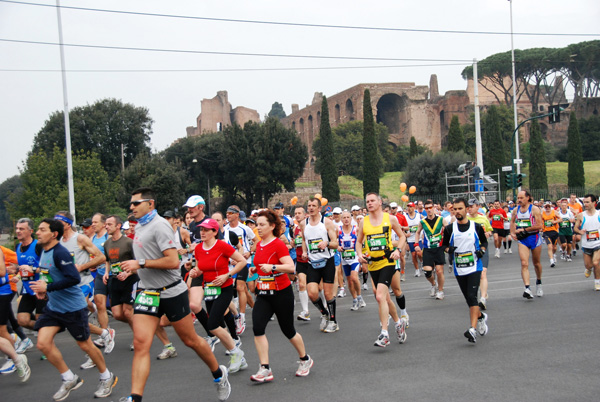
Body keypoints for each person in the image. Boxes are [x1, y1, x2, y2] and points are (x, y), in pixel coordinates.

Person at [120, 188, 231, 402]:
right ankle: (135, 398)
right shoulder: (140, 227)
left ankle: (219, 374)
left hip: (171, 291)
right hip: (147, 292)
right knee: (141, 343)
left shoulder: (160, 225)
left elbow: (172, 262)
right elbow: (146, 259)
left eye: (136, 203)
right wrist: (132, 269)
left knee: (190, 340)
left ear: (150, 204)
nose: (132, 207)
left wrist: (140, 263)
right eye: (131, 203)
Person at [30, 219, 117, 400]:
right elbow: (49, 273)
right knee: (43, 343)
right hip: (54, 307)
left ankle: (106, 376)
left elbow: (73, 279)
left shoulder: (60, 253)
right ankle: (69, 378)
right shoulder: (43, 251)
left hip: (72, 307)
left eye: (42, 229)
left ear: (54, 234)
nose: (37, 232)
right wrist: (39, 283)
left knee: (85, 344)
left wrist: (47, 288)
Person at [249, 210, 313, 382]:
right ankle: (265, 368)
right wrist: (256, 269)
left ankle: (305, 359)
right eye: (257, 225)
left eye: (262, 225)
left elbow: (291, 267)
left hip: (281, 293)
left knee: (288, 330)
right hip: (263, 293)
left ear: (272, 226)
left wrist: (273, 267)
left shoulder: (277, 244)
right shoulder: (259, 245)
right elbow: (263, 265)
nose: (259, 228)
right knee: (257, 327)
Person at [189, 218, 249, 373]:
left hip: (224, 288)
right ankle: (238, 355)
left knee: (213, 324)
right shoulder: (198, 249)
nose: (202, 232)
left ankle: (236, 352)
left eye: (206, 230)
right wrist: (195, 271)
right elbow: (200, 268)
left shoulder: (222, 246)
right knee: (217, 326)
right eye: (201, 230)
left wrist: (227, 275)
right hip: (209, 289)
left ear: (215, 232)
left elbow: (242, 261)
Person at [357, 192, 408, 347]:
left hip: (387, 261)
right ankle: (399, 323)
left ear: (380, 202)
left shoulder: (390, 218)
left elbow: (402, 236)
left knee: (380, 296)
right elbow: (359, 242)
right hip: (373, 264)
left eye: (372, 200)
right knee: (384, 298)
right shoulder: (363, 222)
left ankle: (384, 334)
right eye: (367, 201)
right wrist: (359, 254)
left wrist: (398, 250)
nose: (369, 203)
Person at [441, 198, 488, 344]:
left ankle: (472, 329)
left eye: (460, 208)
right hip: (459, 268)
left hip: (474, 267)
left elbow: (484, 242)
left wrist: (482, 250)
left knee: (472, 296)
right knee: (468, 299)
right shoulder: (450, 229)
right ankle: (480, 317)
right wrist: (449, 250)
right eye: (455, 209)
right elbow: (444, 246)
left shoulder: (476, 226)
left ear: (467, 209)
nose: (457, 211)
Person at [300, 197, 340, 333]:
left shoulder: (327, 223)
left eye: (313, 206)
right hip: (312, 262)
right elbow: (304, 240)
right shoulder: (303, 224)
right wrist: (305, 252)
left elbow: (335, 243)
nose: (310, 208)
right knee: (312, 293)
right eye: (309, 205)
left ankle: (333, 321)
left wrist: (327, 243)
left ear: (319, 208)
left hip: (327, 261)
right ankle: (324, 313)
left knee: (328, 294)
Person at [101, 215, 138, 335]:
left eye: (109, 224)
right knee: (117, 314)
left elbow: (138, 262)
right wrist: (106, 273)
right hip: (115, 279)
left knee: (128, 312)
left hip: (130, 279)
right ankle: (140, 324)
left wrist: (128, 273)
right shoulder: (107, 243)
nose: (106, 227)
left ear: (118, 226)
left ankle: (138, 337)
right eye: (106, 224)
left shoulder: (129, 242)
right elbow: (108, 260)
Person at [223, 205, 256, 336]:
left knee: (240, 287)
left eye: (231, 213)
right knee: (240, 291)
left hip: (244, 262)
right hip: (230, 264)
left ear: (237, 215)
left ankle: (241, 317)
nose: (228, 215)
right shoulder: (224, 230)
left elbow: (256, 241)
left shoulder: (244, 228)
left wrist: (249, 252)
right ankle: (254, 309)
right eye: (227, 213)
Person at [12, 218, 43, 353]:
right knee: (22, 320)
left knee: (40, 319)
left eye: (21, 229)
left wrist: (32, 269)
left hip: (41, 288)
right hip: (27, 289)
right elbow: (21, 267)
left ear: (30, 231)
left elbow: (48, 267)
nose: (18, 231)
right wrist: (16, 271)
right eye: (17, 228)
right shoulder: (17, 247)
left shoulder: (38, 246)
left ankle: (46, 339)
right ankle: (48, 330)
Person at [510, 190, 544, 299]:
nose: (519, 200)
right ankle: (527, 288)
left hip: (534, 237)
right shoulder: (516, 210)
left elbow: (540, 225)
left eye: (521, 198)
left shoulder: (534, 209)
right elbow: (512, 221)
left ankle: (538, 282)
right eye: (518, 198)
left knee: (536, 263)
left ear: (528, 198)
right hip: (522, 239)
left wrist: (525, 229)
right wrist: (512, 232)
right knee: (524, 263)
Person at [415, 200, 446, 300]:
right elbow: (417, 232)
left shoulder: (441, 219)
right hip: (428, 249)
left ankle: (440, 291)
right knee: (427, 272)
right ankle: (433, 284)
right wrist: (416, 244)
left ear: (434, 208)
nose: (429, 210)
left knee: (439, 271)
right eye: (427, 208)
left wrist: (446, 241)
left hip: (439, 248)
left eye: (430, 207)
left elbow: (448, 229)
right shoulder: (423, 222)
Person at [466, 200, 493, 310]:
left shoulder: (483, 218)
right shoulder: (465, 220)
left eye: (472, 206)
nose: (469, 209)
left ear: (477, 207)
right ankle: (480, 293)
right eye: (468, 207)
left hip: (482, 248)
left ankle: (482, 299)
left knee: (483, 273)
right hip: (469, 250)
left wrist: (488, 233)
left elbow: (490, 230)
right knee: (473, 275)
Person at [338, 211, 366, 310]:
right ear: (341, 219)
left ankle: (359, 296)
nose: (346, 219)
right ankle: (354, 300)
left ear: (351, 219)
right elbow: (332, 241)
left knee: (354, 277)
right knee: (349, 281)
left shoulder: (356, 229)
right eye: (344, 217)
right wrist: (337, 246)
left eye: (348, 217)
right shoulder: (338, 230)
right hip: (345, 259)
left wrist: (362, 249)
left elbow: (363, 239)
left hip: (354, 258)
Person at [574, 194, 600, 291]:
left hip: (598, 243)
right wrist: (580, 231)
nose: (585, 204)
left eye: (588, 202)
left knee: (596, 262)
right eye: (584, 202)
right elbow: (576, 228)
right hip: (586, 244)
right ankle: (588, 269)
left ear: (594, 203)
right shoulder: (581, 215)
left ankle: (597, 282)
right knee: (589, 265)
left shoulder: (599, 214)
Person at [293, 207, 311, 321]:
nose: (297, 215)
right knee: (301, 284)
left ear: (305, 215)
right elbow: (297, 244)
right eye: (295, 213)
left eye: (299, 213)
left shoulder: (309, 227)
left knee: (318, 287)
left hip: (311, 260)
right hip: (300, 260)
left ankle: (325, 306)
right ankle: (305, 311)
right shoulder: (294, 229)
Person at [404, 202, 423, 277]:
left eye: (411, 206)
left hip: (419, 238)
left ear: (414, 207)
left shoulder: (419, 216)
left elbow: (425, 223)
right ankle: (417, 270)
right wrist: (405, 235)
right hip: (410, 239)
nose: (409, 208)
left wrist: (424, 234)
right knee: (413, 254)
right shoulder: (405, 217)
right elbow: (400, 227)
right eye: (408, 206)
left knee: (419, 253)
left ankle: (421, 261)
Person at [541, 201, 561, 268]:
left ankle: (554, 254)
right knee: (549, 246)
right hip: (546, 232)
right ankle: (551, 260)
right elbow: (540, 221)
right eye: (546, 207)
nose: (547, 208)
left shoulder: (554, 212)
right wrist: (541, 227)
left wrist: (555, 221)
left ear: (550, 206)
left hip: (554, 231)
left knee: (554, 247)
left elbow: (560, 219)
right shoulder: (542, 213)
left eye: (548, 206)